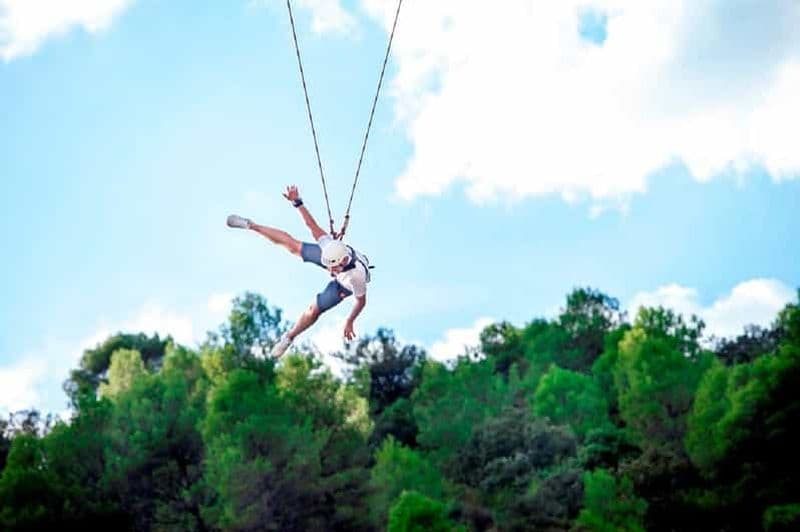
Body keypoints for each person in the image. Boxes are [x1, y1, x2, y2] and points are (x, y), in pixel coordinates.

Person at [226, 185, 371, 357]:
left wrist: (349, 321)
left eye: (332, 268)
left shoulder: (356, 277)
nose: (328, 270)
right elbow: (311, 224)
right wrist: (297, 201)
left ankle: (289, 337)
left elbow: (361, 302)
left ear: (340, 264)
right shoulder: (328, 246)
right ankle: (251, 225)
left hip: (343, 286)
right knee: (294, 246)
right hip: (336, 255)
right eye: (328, 266)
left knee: (314, 310)